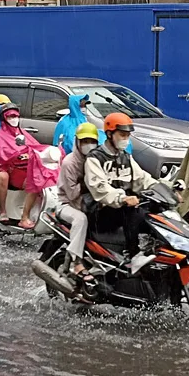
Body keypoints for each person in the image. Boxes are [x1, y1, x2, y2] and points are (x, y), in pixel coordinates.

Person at [84, 112, 158, 270]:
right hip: (100, 212)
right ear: (109, 134)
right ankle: (133, 256)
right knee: (131, 210)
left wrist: (165, 189)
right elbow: (100, 188)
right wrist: (122, 198)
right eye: (122, 135)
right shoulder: (95, 158)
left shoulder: (125, 157)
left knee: (155, 211)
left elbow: (142, 179)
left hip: (119, 209)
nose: (126, 139)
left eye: (128, 136)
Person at [0, 103, 61, 229]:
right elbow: (1, 153)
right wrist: (17, 155)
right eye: (10, 117)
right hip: (10, 169)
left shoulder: (22, 133)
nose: (14, 119)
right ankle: (9, 213)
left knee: (44, 179)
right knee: (4, 177)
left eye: (16, 116)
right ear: (4, 119)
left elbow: (35, 146)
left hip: (26, 167)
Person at [56, 122, 99, 282]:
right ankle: (76, 262)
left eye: (92, 141)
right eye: (85, 141)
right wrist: (88, 180)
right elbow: (72, 194)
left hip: (88, 202)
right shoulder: (70, 163)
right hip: (67, 204)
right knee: (81, 219)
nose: (89, 145)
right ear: (77, 142)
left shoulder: (96, 160)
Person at [53, 94, 132, 155]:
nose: (84, 108)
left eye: (85, 105)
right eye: (82, 105)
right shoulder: (65, 122)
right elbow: (69, 141)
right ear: (75, 105)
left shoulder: (83, 118)